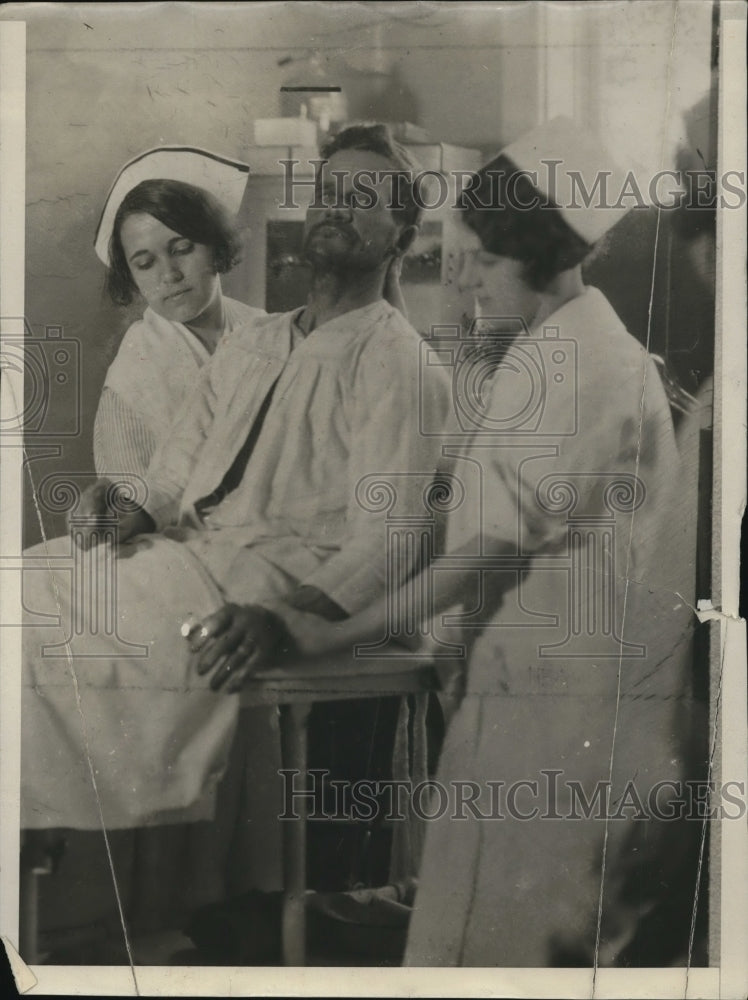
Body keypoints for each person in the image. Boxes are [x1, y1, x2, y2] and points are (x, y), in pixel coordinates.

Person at [252, 118, 700, 966]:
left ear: (549, 261)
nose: (469, 286)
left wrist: (338, 631)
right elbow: (450, 502)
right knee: (476, 942)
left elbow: (491, 543)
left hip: (576, 707)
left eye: (485, 266)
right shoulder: (540, 352)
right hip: (520, 696)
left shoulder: (593, 360)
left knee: (524, 949)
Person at [21, 122, 452, 873]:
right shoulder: (255, 343)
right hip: (186, 554)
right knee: (23, 582)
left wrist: (282, 619)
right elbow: (176, 467)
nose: (336, 207)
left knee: (33, 630)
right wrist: (130, 509)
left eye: (363, 196)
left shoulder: (398, 363)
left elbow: (390, 541)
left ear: (402, 236)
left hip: (265, 579)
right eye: (328, 193)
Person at [92, 147, 265, 479]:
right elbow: (125, 508)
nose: (168, 275)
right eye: (145, 264)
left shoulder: (264, 328)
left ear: (217, 244)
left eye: (182, 249)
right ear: (131, 275)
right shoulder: (130, 382)